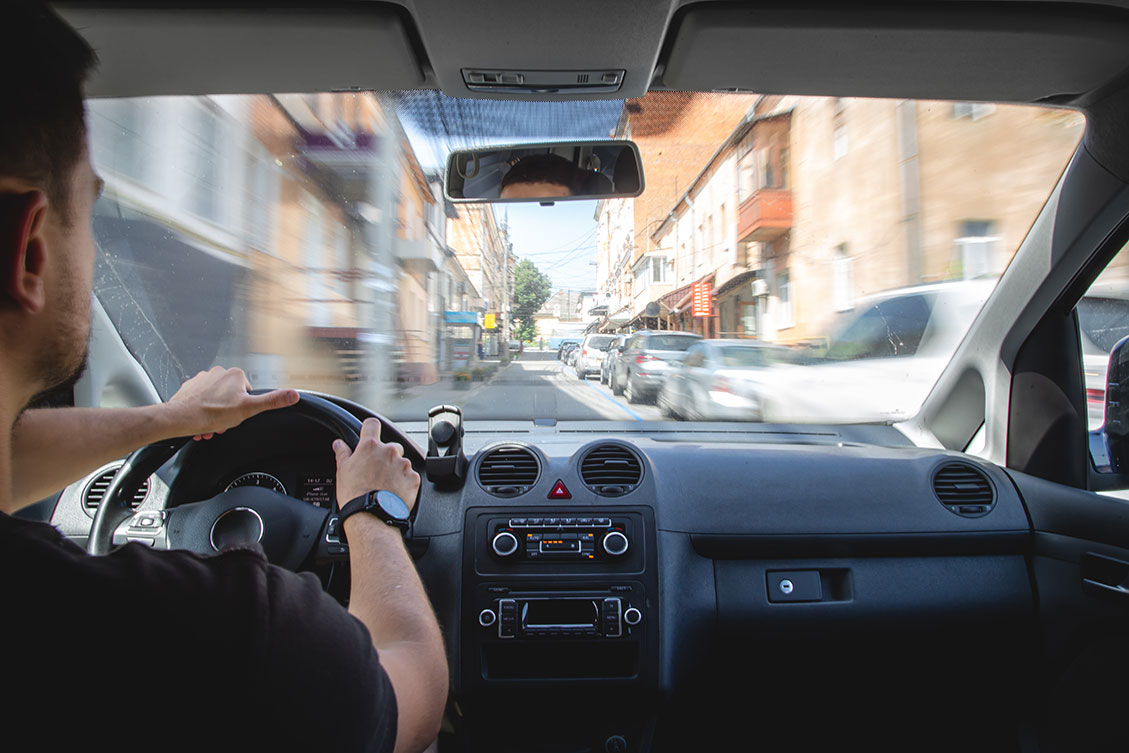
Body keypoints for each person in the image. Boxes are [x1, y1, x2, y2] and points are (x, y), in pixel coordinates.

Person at [0, 5, 446, 752]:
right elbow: (413, 688)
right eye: (90, 214)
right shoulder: (237, 634)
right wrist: (369, 511)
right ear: (31, 251)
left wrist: (160, 423)